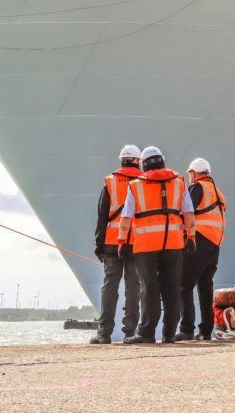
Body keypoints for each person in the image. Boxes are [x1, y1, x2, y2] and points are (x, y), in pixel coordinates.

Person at [119, 146, 196, 344]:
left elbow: (126, 216)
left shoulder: (135, 185)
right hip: (173, 243)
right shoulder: (179, 183)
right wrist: (191, 237)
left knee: (149, 288)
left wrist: (122, 241)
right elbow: (188, 212)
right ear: (162, 160)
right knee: (172, 288)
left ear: (144, 164)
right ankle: (169, 334)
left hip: (146, 245)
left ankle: (146, 333)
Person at [90, 145, 144, 344]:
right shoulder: (144, 182)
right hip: (137, 243)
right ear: (138, 161)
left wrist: (99, 243)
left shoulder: (110, 182)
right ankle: (130, 333)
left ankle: (103, 333)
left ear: (121, 160)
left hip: (112, 243)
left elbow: (102, 215)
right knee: (133, 287)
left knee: (110, 287)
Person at [175, 158, 226, 341]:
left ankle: (186, 329)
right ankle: (206, 331)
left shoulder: (197, 188)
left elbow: (187, 211)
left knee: (184, 285)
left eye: (190, 174)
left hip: (199, 241)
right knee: (205, 287)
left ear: (193, 173)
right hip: (214, 246)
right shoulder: (218, 192)